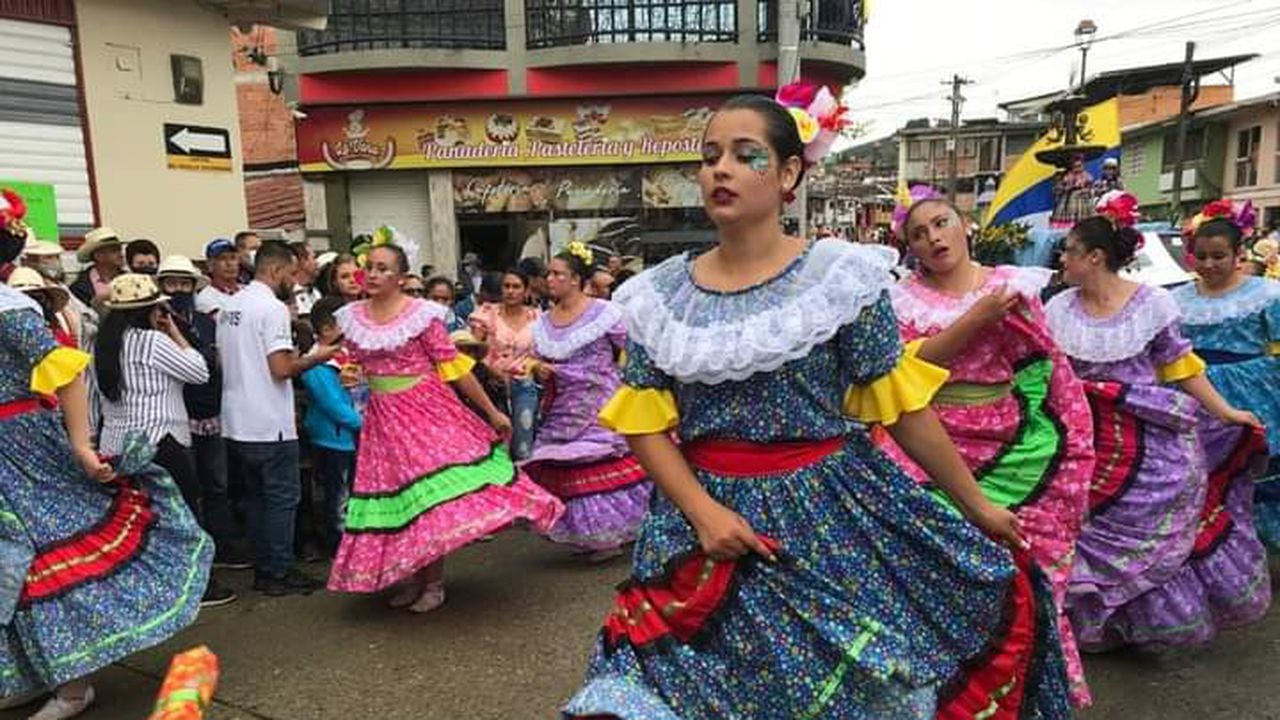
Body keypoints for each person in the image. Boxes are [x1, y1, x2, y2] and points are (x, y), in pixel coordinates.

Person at [563, 90, 1072, 718]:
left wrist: (977, 504)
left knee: (842, 689)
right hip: (699, 527)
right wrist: (702, 514)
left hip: (830, 516)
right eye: (709, 155)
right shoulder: (658, 296)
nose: (719, 169)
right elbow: (643, 426)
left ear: (788, 175)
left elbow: (902, 408)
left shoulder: (843, 278)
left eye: (744, 155)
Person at [0, 188, 211, 720]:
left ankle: (72, 686)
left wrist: (77, 445)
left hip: (21, 449)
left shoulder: (10, 309)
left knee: (39, 566)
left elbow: (66, 371)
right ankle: (39, 673)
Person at [885, 196, 1097, 706]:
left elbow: (1046, 367)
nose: (934, 238)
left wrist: (1069, 438)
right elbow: (905, 373)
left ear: (964, 227)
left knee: (1018, 568)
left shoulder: (1013, 287)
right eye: (919, 233)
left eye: (941, 223)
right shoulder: (900, 300)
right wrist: (975, 319)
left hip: (1012, 444)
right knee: (933, 570)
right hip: (927, 445)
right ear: (909, 247)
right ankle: (951, 694)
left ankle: (1021, 689)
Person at [1045, 199, 1270, 651]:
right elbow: (1047, 374)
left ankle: (1150, 625)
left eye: (1069, 250)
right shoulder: (1058, 307)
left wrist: (1226, 413)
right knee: (1086, 529)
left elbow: (1180, 365)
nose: (1062, 260)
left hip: (1148, 434)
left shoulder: (1152, 303)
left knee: (1152, 530)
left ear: (1096, 257)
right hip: (1084, 437)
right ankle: (1098, 626)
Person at [326, 244, 562, 613]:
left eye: (382, 268)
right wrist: (351, 374)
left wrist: (491, 413)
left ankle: (432, 583)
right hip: (383, 420)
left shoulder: (421, 316)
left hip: (424, 413)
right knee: (400, 500)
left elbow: (454, 368)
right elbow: (352, 362)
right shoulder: (353, 317)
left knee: (428, 499)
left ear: (401, 278)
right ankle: (410, 575)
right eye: (369, 267)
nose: (372, 274)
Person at [93, 273, 237, 608]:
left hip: (116, 443)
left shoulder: (103, 344)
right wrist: (173, 332)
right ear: (151, 310)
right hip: (161, 440)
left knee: (135, 519)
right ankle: (195, 584)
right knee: (181, 514)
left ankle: (146, 585)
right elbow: (199, 371)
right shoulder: (152, 341)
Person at [218, 240, 339, 596]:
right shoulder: (270, 310)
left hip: (237, 418)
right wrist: (318, 356)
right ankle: (279, 570)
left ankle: (265, 566)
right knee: (282, 498)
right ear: (275, 270)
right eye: (289, 273)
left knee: (256, 499)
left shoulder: (231, 306)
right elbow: (281, 368)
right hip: (269, 420)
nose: (293, 281)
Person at [521, 245, 651, 560]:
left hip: (601, 407)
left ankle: (609, 537)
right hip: (562, 409)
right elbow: (534, 361)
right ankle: (590, 535)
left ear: (577, 279)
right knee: (562, 468)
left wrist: (635, 389)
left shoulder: (605, 313)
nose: (549, 279)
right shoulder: (543, 322)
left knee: (600, 464)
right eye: (548, 273)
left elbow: (633, 352)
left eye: (557, 274)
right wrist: (538, 368)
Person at [1172, 202, 1280, 549]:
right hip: (1194, 389)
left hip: (1253, 389)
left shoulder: (1265, 295)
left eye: (1218, 256)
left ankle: (1261, 548)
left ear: (1238, 254)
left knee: (1257, 467)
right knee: (1202, 471)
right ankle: (1214, 550)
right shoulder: (1177, 299)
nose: (1209, 264)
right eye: (1201, 256)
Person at [158, 255, 249, 571]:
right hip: (178, 414)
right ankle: (195, 557)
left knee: (217, 485)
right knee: (187, 488)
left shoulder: (206, 322)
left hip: (211, 410)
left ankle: (222, 544)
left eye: (185, 283)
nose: (179, 289)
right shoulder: (157, 325)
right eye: (172, 283)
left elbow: (217, 361)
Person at [300, 296, 363, 557]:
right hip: (333, 438)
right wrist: (364, 423)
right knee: (337, 495)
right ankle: (338, 543)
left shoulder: (341, 357)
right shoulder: (316, 364)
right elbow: (333, 405)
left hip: (346, 435)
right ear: (327, 329)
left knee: (347, 489)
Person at [468, 268, 542, 460]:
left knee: (524, 442)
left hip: (524, 383)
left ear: (526, 291)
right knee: (499, 441)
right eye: (506, 286)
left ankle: (525, 485)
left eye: (516, 287)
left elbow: (543, 351)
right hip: (493, 385)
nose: (510, 291)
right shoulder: (486, 314)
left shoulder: (537, 317)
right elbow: (472, 350)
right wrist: (489, 370)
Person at [7, 266, 75, 347]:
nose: (31, 303)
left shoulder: (56, 331)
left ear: (47, 301)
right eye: (22, 298)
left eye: (36, 298)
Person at [68, 226, 124, 308]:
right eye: (114, 250)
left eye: (119, 249)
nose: (121, 254)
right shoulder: (79, 288)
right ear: (98, 256)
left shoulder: (129, 279)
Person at [196, 238, 242, 316]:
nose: (229, 263)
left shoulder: (248, 290)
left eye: (233, 258)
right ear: (210, 265)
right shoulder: (206, 297)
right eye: (222, 258)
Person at [289, 241, 322, 317]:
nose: (317, 262)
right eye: (313, 258)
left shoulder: (316, 292)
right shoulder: (288, 294)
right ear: (302, 261)